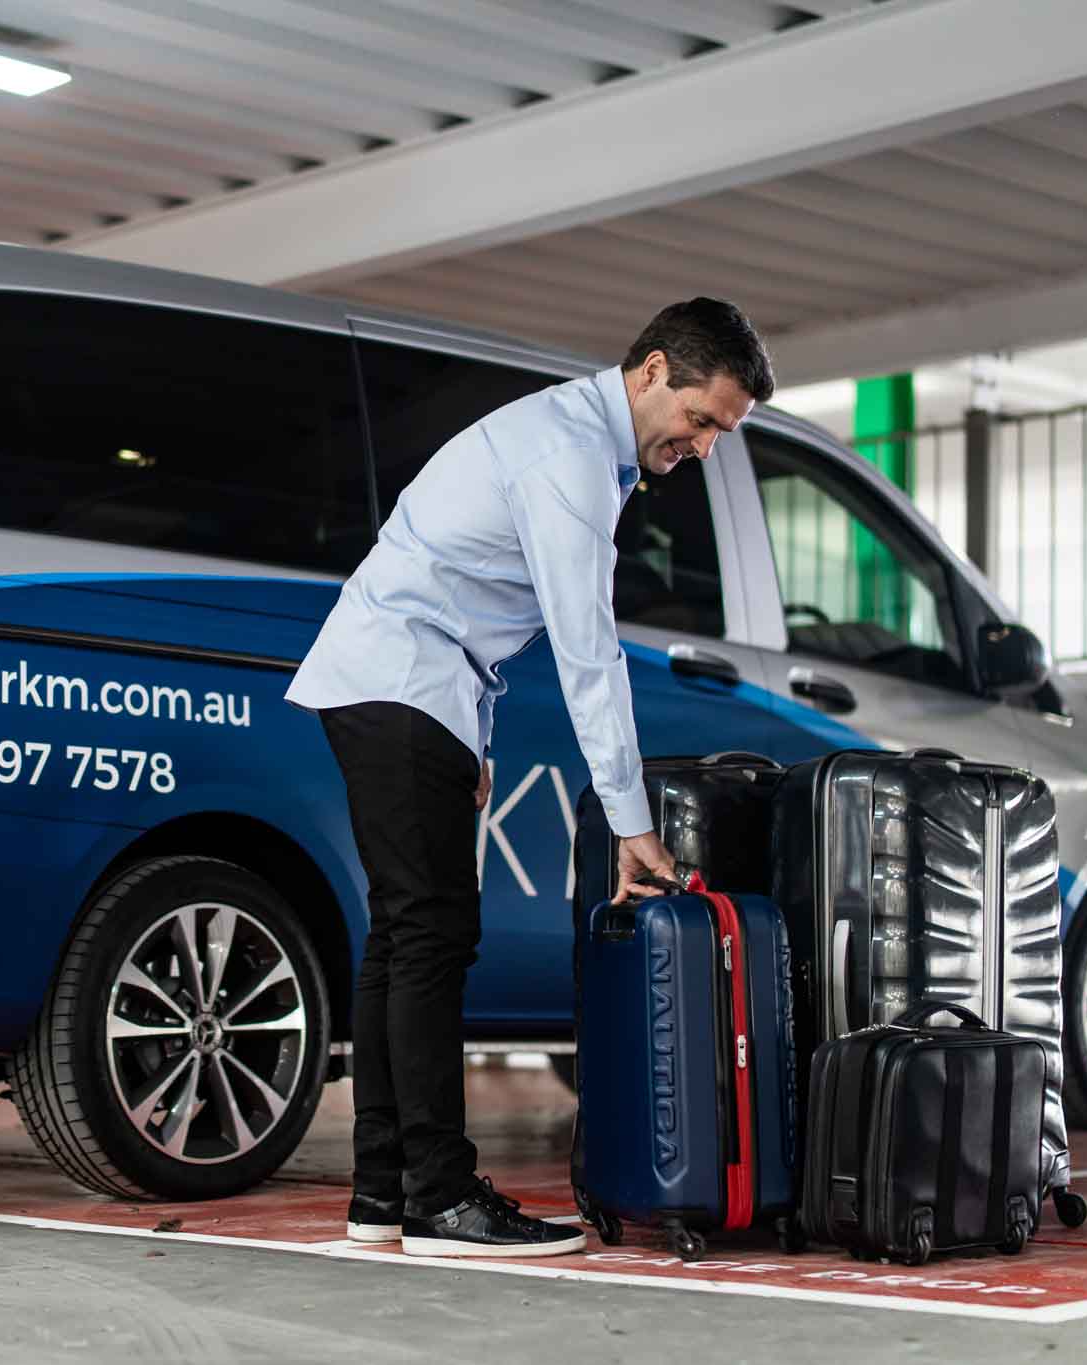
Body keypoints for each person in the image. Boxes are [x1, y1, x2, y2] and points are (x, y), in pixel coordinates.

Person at [286, 298, 774, 1257]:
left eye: (723, 430)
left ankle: (386, 1193)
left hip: (405, 682)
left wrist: (472, 741)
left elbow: (478, 600)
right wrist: (632, 823)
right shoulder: (571, 462)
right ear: (653, 371)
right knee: (430, 934)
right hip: (402, 678)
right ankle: (438, 1196)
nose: (707, 444)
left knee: (402, 937)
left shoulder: (568, 439)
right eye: (704, 418)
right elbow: (587, 651)